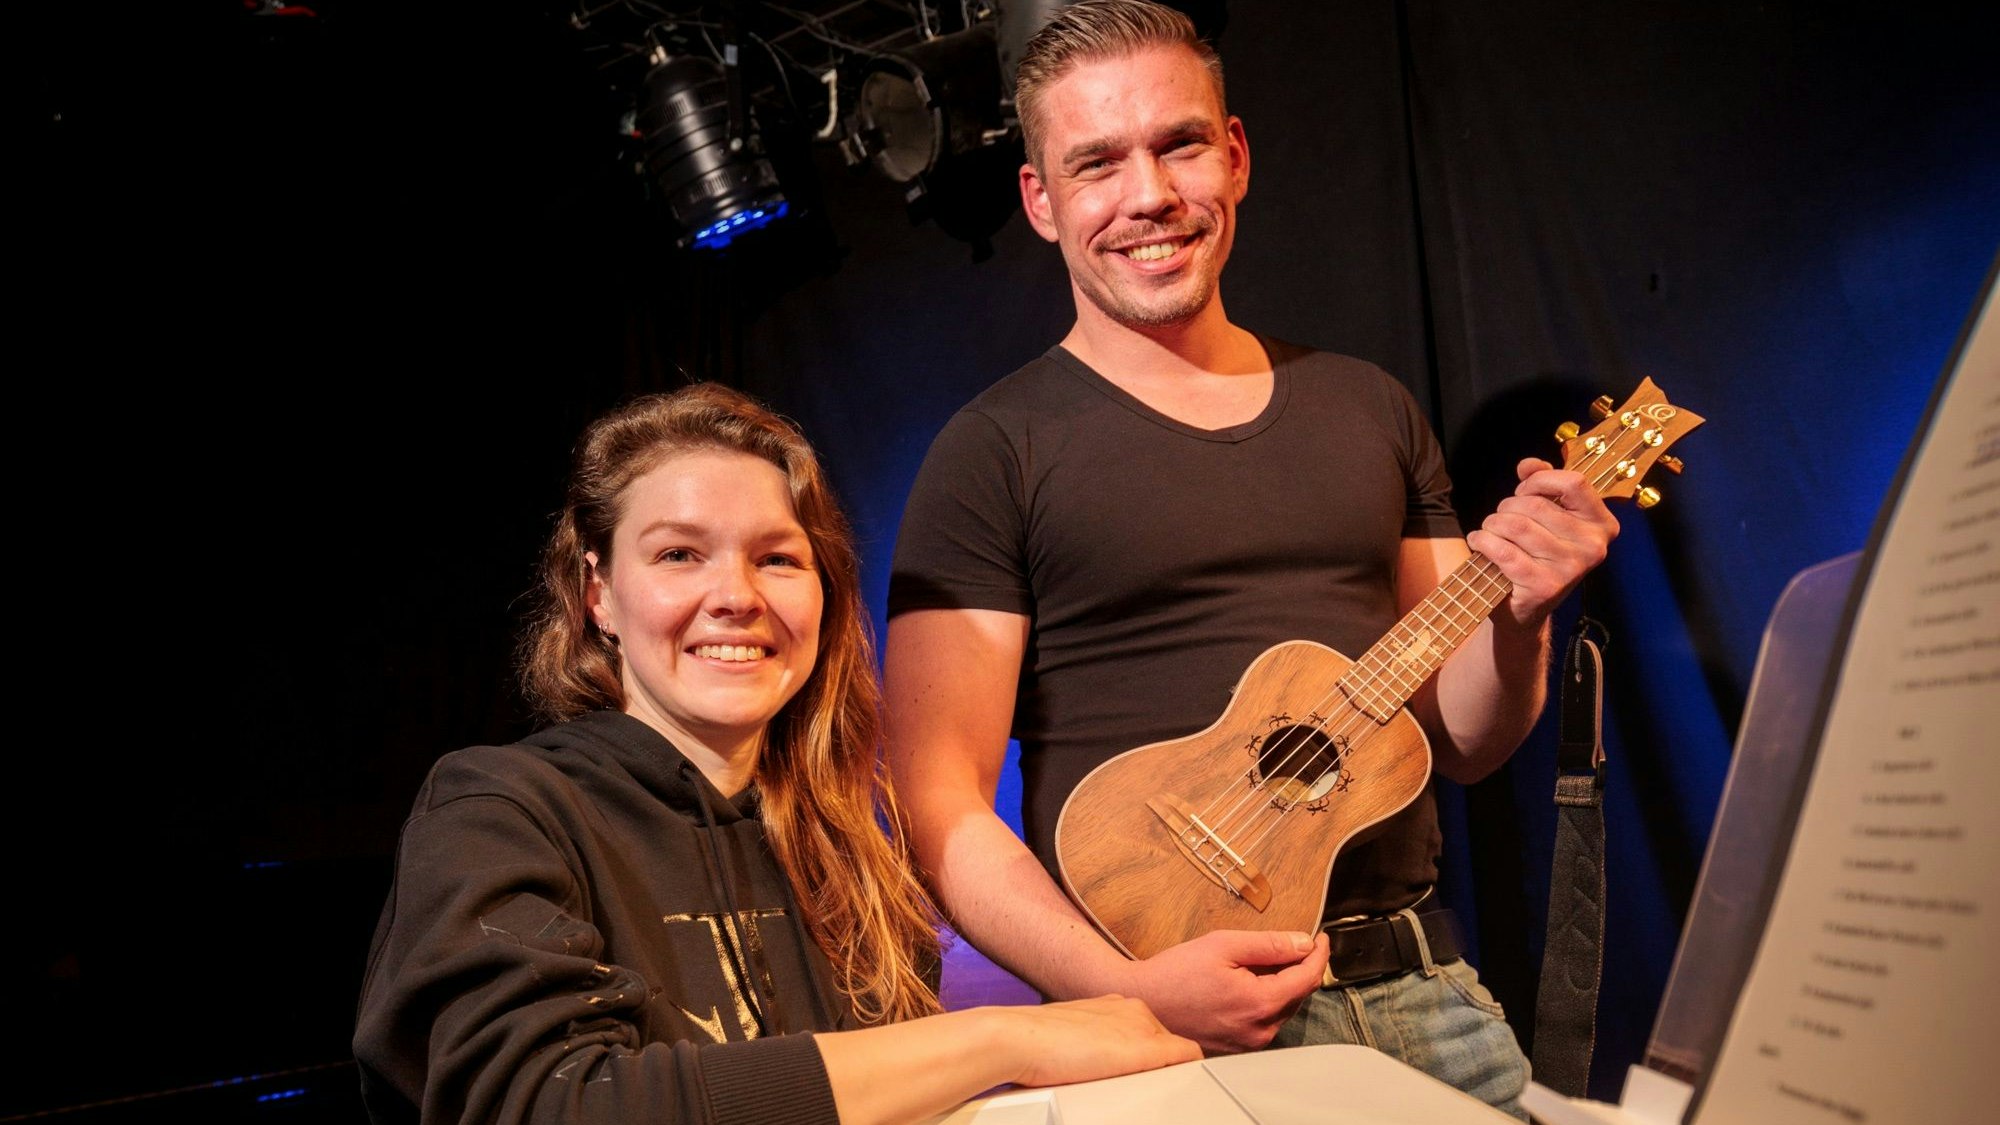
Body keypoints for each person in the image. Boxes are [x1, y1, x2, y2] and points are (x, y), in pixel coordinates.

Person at [881, 1, 1619, 1117]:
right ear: (1039, 201)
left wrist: (1518, 614)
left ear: (1233, 156)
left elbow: (1460, 741)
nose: (1148, 196)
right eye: (1096, 163)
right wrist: (1129, 990)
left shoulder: (1367, 405)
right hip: (1149, 1041)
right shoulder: (991, 452)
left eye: (1178, 144)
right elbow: (938, 808)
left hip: (1426, 1004)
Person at [353, 382, 1199, 1125]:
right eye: (679, 554)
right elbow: (549, 1102)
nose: (736, 596)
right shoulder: (498, 808)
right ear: (598, 592)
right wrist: (1000, 1035)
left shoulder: (845, 849)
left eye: (777, 558)